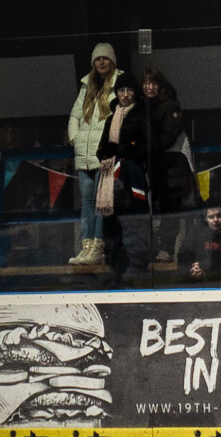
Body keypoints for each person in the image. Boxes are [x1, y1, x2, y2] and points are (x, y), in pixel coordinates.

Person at [96, 69, 188, 279]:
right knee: (114, 216)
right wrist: (106, 152)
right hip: (113, 174)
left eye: (129, 90)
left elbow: (152, 141)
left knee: (142, 213)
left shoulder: (143, 112)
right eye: (121, 90)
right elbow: (103, 146)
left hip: (142, 169)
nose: (125, 94)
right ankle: (115, 257)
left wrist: (127, 150)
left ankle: (140, 257)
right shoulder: (113, 117)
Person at [66, 42, 121, 268]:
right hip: (84, 155)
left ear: (112, 61)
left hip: (104, 155)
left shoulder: (120, 83)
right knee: (87, 202)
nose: (101, 62)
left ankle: (98, 248)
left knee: (101, 204)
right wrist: (75, 139)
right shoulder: (86, 87)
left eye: (105, 58)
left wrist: (111, 145)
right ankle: (86, 246)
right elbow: (75, 117)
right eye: (97, 59)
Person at [177, 203, 221, 282]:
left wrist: (207, 268)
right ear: (205, 219)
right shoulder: (196, 233)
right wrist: (192, 270)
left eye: (219, 216)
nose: (215, 220)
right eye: (211, 217)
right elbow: (183, 257)